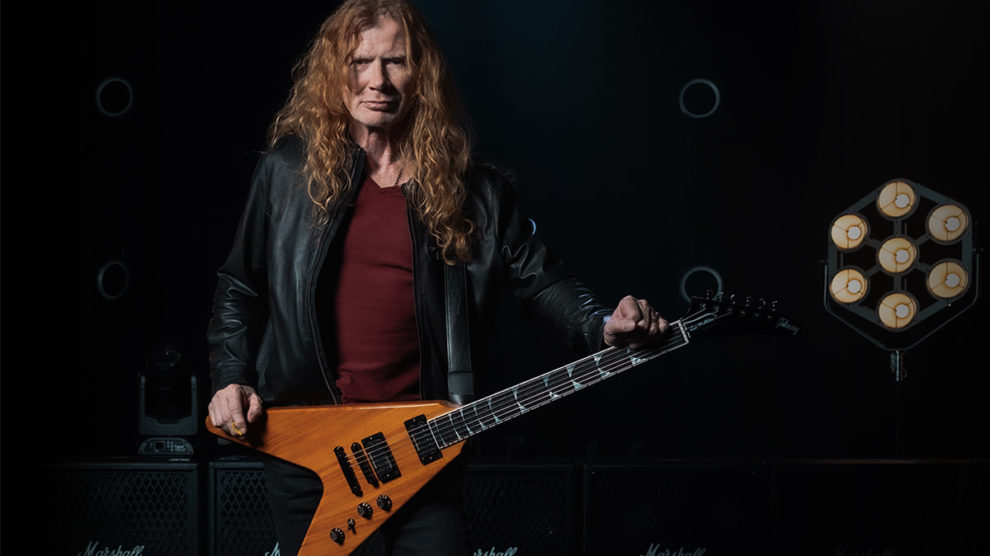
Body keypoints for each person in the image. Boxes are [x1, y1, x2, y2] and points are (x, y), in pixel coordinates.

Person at [206, 0, 669, 554]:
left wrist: (602, 324)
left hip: (425, 446)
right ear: (334, 71)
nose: (377, 80)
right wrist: (230, 376)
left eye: (395, 61)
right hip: (312, 449)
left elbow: (542, 280)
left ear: (420, 72)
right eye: (360, 61)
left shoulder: (476, 192)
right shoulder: (287, 171)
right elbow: (240, 286)